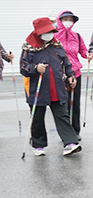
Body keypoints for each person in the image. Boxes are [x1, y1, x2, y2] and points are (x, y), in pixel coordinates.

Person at [20, 17, 81, 156]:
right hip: (38, 89)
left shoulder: (57, 45)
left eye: (51, 31)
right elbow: (23, 67)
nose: (49, 34)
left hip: (57, 88)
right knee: (37, 118)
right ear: (38, 33)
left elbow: (66, 64)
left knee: (62, 116)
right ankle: (38, 145)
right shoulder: (29, 47)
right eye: (46, 32)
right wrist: (36, 68)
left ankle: (70, 143)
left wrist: (71, 76)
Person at [54, 10, 92, 139]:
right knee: (62, 104)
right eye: (65, 19)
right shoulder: (53, 36)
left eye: (70, 19)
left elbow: (83, 51)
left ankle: (75, 131)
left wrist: (88, 55)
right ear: (59, 20)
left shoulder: (77, 36)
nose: (68, 22)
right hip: (59, 74)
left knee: (75, 103)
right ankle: (66, 132)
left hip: (75, 72)